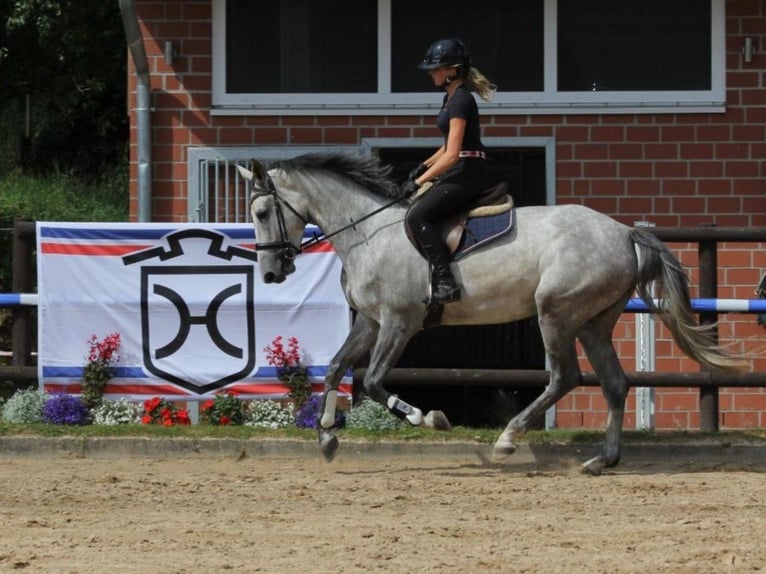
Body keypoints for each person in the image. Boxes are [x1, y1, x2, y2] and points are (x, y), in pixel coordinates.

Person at [403, 38, 496, 306]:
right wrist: (423, 166)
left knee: (418, 216)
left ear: (452, 70)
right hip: (459, 167)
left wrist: (421, 180)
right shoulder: (451, 98)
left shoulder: (461, 100)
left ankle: (446, 281)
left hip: (467, 172)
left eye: (436, 68)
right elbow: (446, 147)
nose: (431, 73)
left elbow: (453, 154)